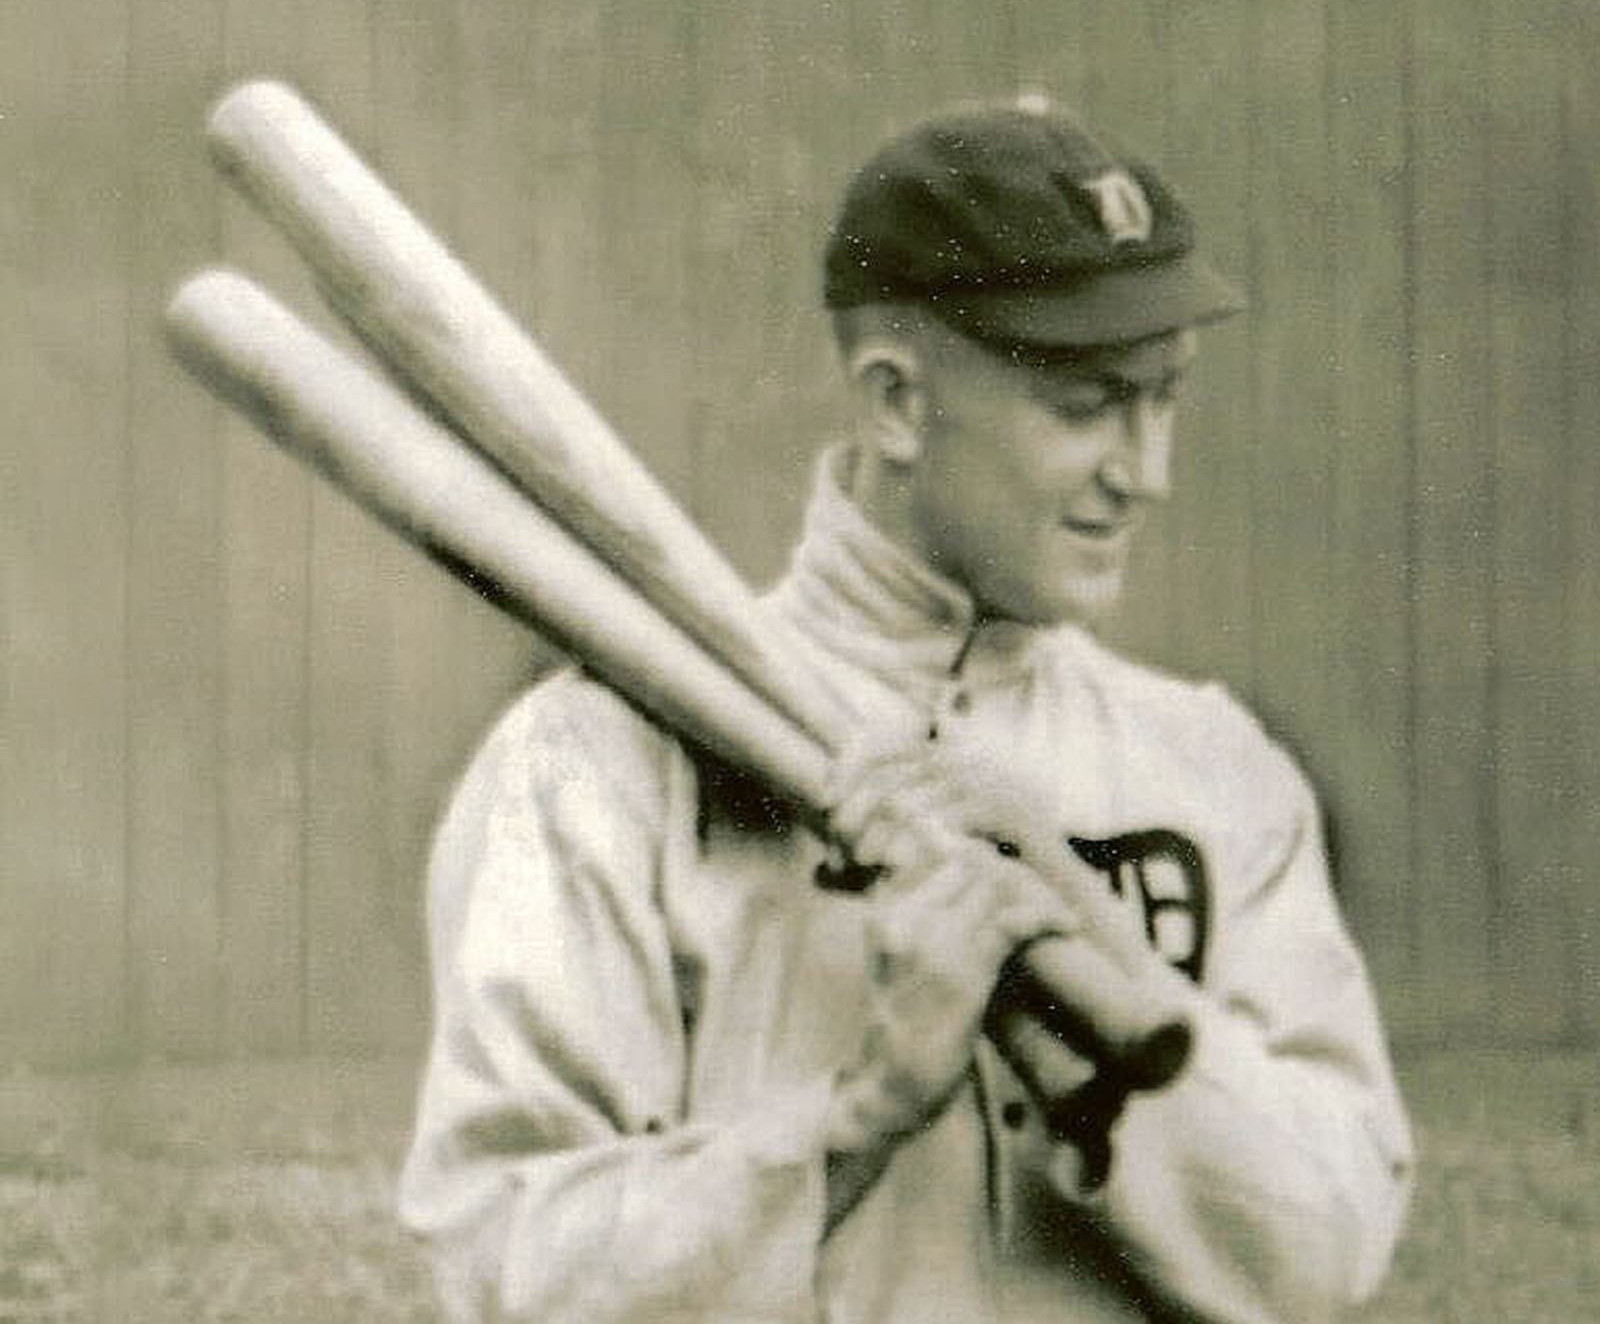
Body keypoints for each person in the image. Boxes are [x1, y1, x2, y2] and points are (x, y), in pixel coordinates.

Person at [398, 100, 1414, 1323]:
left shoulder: (1212, 768)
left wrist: (1112, 1009)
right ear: (894, 401)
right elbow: (507, 1275)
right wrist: (858, 1112)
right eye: (1088, 404)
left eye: (1166, 398)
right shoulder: (594, 767)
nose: (1145, 472)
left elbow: (1328, 1256)